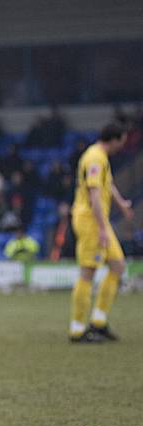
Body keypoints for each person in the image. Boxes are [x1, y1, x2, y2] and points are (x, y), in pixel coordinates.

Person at [69, 122, 133, 343]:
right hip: (91, 221)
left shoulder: (101, 157)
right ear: (114, 140)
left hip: (99, 221)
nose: (122, 146)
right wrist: (103, 229)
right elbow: (95, 195)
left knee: (117, 265)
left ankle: (98, 321)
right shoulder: (94, 158)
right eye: (122, 141)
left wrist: (121, 203)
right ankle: (77, 330)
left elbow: (108, 184)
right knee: (88, 271)